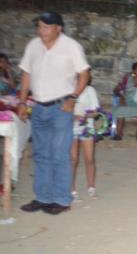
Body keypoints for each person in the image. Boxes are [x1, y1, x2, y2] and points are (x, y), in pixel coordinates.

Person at [18, 11, 91, 216]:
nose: (41, 30)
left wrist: (73, 98)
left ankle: (61, 199)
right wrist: (23, 101)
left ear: (59, 28)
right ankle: (43, 197)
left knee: (59, 154)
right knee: (41, 154)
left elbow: (84, 74)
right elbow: (26, 73)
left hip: (61, 108)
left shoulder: (71, 47)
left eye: (46, 27)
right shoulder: (33, 45)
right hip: (39, 107)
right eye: (39, 26)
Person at [71, 79, 101, 201]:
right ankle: (71, 190)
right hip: (71, 126)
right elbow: (63, 110)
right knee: (73, 159)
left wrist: (84, 116)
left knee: (89, 159)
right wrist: (74, 117)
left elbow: (96, 113)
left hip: (87, 126)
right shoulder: (68, 89)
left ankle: (91, 188)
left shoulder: (90, 90)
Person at [112, 62, 137, 141]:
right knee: (121, 111)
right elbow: (116, 90)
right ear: (133, 71)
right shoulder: (127, 78)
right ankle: (118, 134)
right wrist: (121, 97)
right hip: (127, 99)